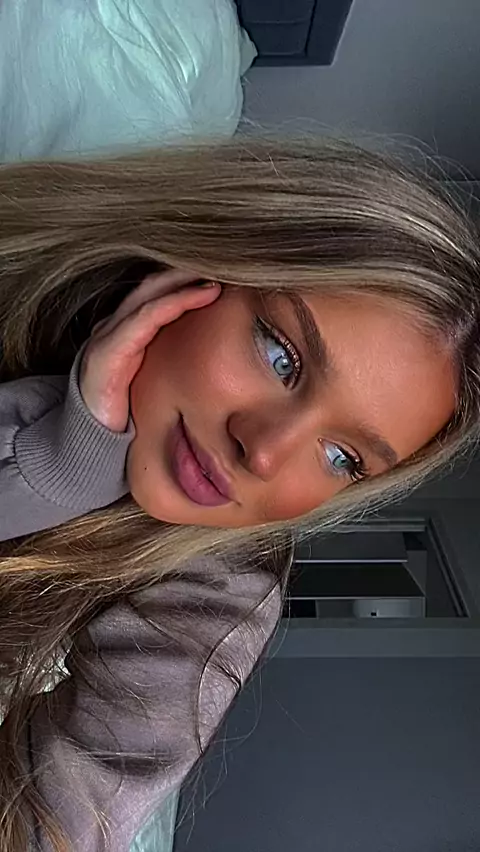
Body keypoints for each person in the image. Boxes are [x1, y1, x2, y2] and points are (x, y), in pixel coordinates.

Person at [0, 137, 479, 852]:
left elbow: (47, 835)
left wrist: (63, 471)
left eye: (342, 458)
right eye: (281, 356)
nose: (265, 451)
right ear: (206, 258)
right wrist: (54, 455)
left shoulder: (220, 591)